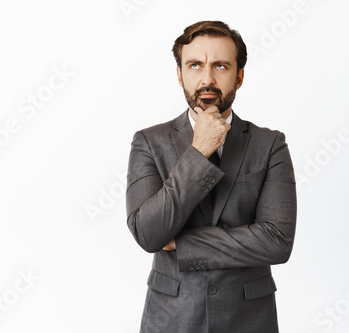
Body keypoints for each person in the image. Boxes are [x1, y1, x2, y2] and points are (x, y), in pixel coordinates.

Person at [126, 20, 297, 333]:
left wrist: (181, 242)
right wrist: (198, 152)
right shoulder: (149, 142)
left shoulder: (270, 144)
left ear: (239, 76)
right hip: (171, 317)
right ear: (180, 75)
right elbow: (148, 234)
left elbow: (277, 241)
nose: (207, 79)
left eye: (220, 65)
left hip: (249, 319)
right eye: (194, 65)